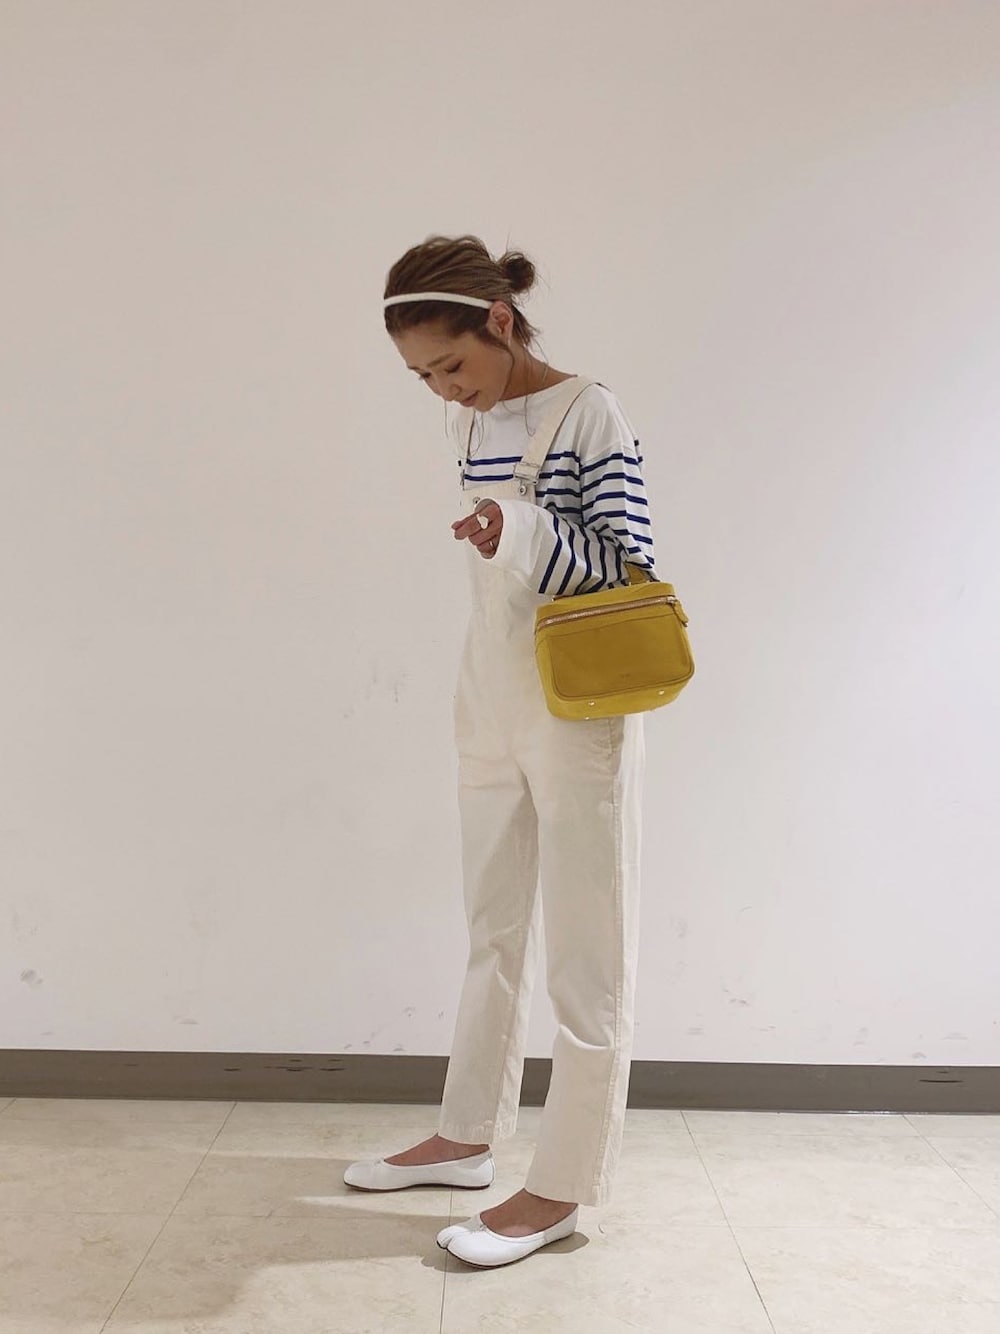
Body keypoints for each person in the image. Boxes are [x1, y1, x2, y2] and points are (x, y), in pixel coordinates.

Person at [344, 234, 655, 1269]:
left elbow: (628, 565)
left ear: (502, 321)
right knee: (491, 922)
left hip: (576, 699)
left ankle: (562, 1184)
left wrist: (512, 527)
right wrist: (499, 529)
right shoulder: (474, 418)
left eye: (452, 363)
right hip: (488, 686)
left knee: (586, 950)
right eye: (423, 377)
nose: (444, 389)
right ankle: (468, 1134)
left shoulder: (590, 412)